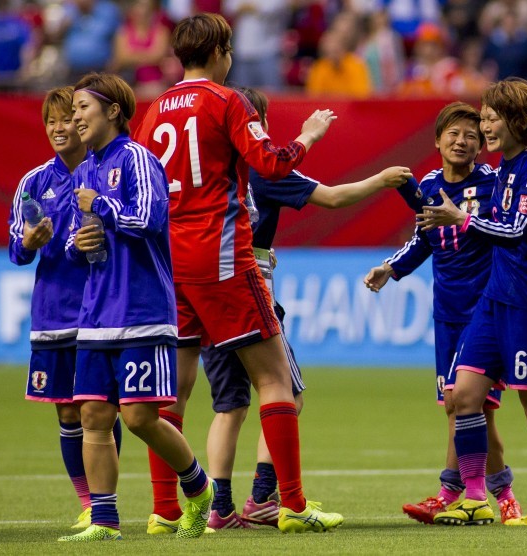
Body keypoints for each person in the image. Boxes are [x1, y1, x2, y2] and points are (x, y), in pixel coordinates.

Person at [132, 13, 342, 534]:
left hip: (169, 262)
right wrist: (309, 137)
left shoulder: (153, 109)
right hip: (221, 256)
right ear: (222, 50)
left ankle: (165, 511)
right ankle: (291, 505)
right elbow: (271, 164)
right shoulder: (228, 101)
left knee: (171, 395)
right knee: (275, 381)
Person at [201, 86, 412, 529]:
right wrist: (381, 179)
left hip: (205, 286)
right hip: (249, 280)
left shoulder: (207, 174)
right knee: (286, 391)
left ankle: (218, 508)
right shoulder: (265, 172)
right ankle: (265, 499)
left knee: (230, 406)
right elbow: (333, 198)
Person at [364, 101, 527, 525]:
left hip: (490, 305)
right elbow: (425, 236)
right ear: (437, 140)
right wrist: (391, 267)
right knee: (459, 404)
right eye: (454, 134)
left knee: (470, 402)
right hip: (449, 310)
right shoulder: (433, 183)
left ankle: (479, 493)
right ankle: (476, 493)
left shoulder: (496, 181)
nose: (462, 141)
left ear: (482, 147)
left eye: (472, 135)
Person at [58, 72, 214, 542]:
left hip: (142, 308)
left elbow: (149, 218)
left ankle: (199, 488)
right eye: (73, 110)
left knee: (140, 416)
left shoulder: (138, 159)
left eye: (84, 107)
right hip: (96, 311)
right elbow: (73, 236)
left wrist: (101, 208)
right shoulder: (83, 170)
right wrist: (76, 243)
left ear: (113, 111)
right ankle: (104, 520)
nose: (75, 117)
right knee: (92, 415)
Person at [417, 78, 527, 527]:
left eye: (490, 118)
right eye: (483, 118)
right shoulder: (506, 167)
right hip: (493, 300)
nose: (483, 126)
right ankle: (472, 496)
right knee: (462, 396)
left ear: (517, 120)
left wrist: (460, 218)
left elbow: (516, 230)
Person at [8, 86, 123, 532]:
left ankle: (103, 502)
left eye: (66, 118)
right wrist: (29, 242)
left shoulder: (108, 171)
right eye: (50, 121)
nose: (58, 127)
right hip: (55, 313)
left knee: (101, 408)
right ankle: (90, 503)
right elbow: (18, 249)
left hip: (103, 310)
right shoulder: (34, 182)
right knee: (68, 411)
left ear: (83, 122)